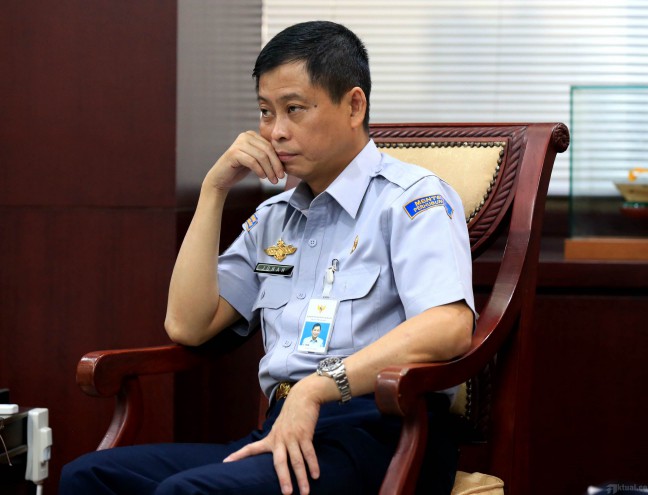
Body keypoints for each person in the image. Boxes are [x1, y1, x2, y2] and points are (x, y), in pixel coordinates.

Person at [60, 20, 474, 495]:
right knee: (90, 477)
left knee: (188, 492)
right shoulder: (274, 218)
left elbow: (448, 326)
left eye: (294, 109)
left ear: (353, 105)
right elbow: (188, 325)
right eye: (265, 111)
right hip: (285, 429)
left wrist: (318, 387)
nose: (276, 131)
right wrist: (213, 190)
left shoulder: (411, 199)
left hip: (382, 435)